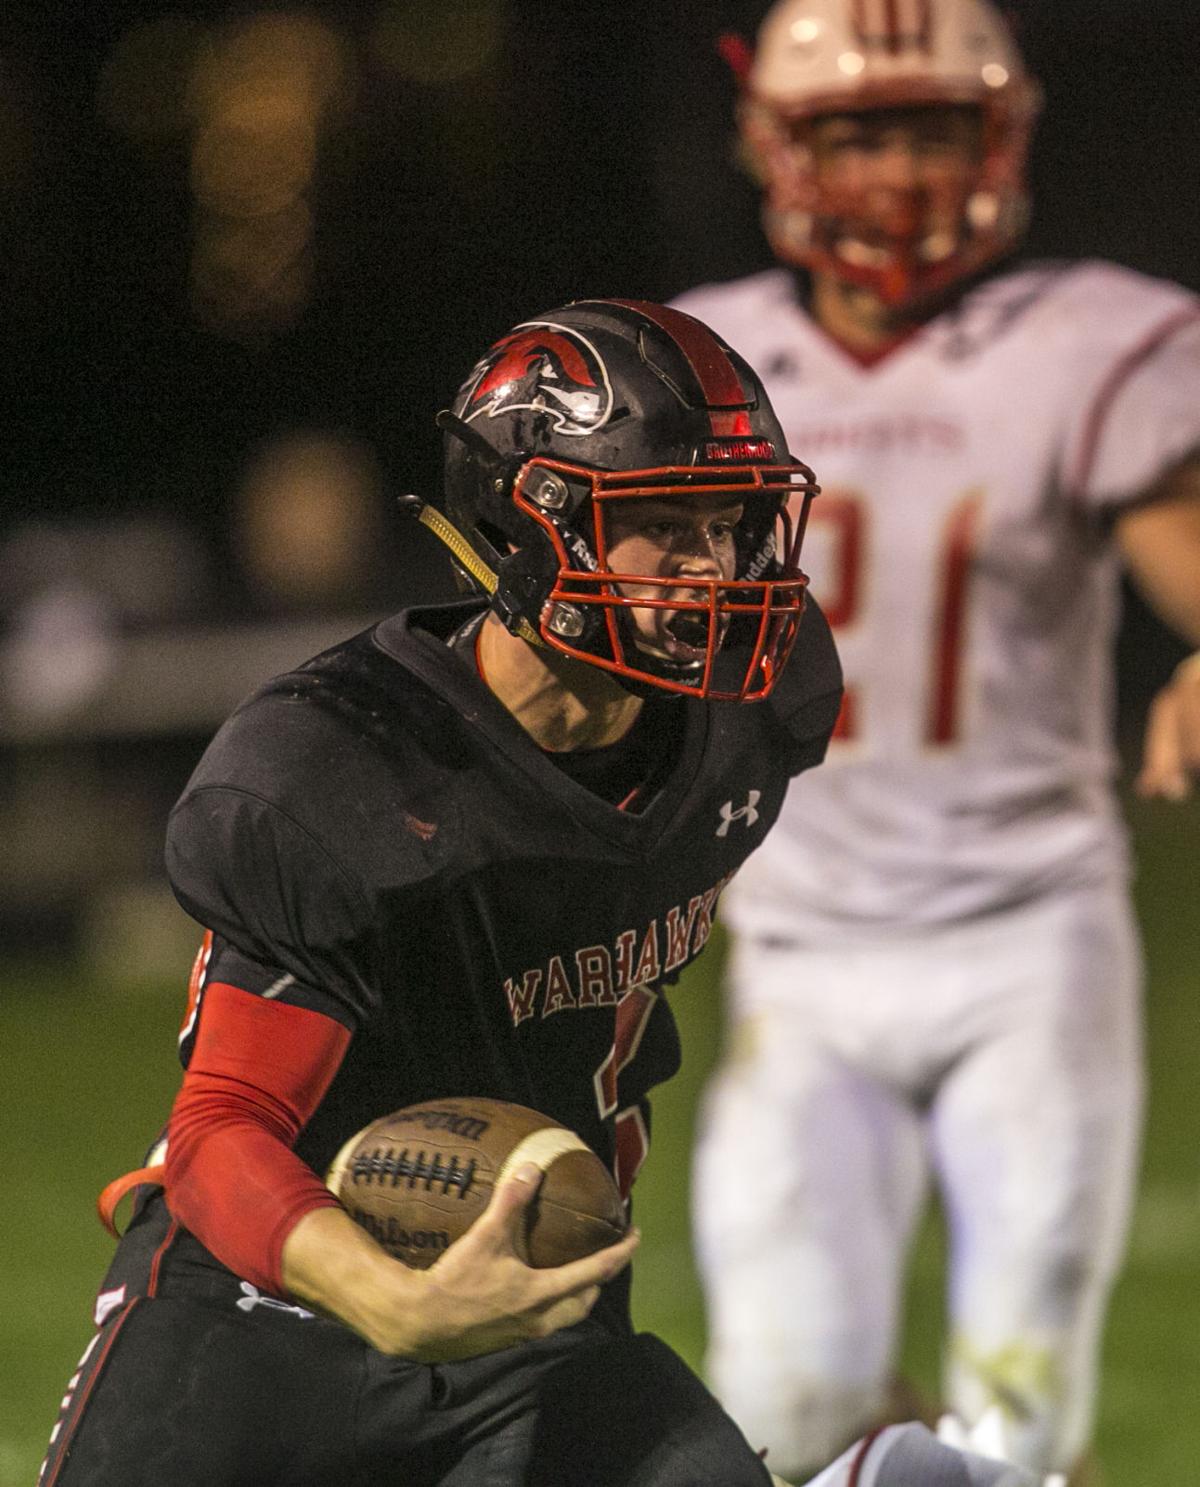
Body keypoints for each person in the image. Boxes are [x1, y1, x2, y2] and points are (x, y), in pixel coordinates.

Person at [39, 297, 848, 1487]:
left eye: (728, 524)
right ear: (530, 526)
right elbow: (223, 1126)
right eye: (661, 525)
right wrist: (395, 1298)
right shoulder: (342, 767)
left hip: (534, 1302)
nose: (713, 568)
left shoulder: (748, 714)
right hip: (270, 1301)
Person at [671, 4, 1200, 1484]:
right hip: (800, 952)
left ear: (1000, 137)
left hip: (1028, 938)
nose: (898, 169)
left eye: (929, 128)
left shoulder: (1087, 340)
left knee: (1019, 1422)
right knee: (783, 1410)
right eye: (858, 131)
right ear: (775, 143)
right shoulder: (704, 359)